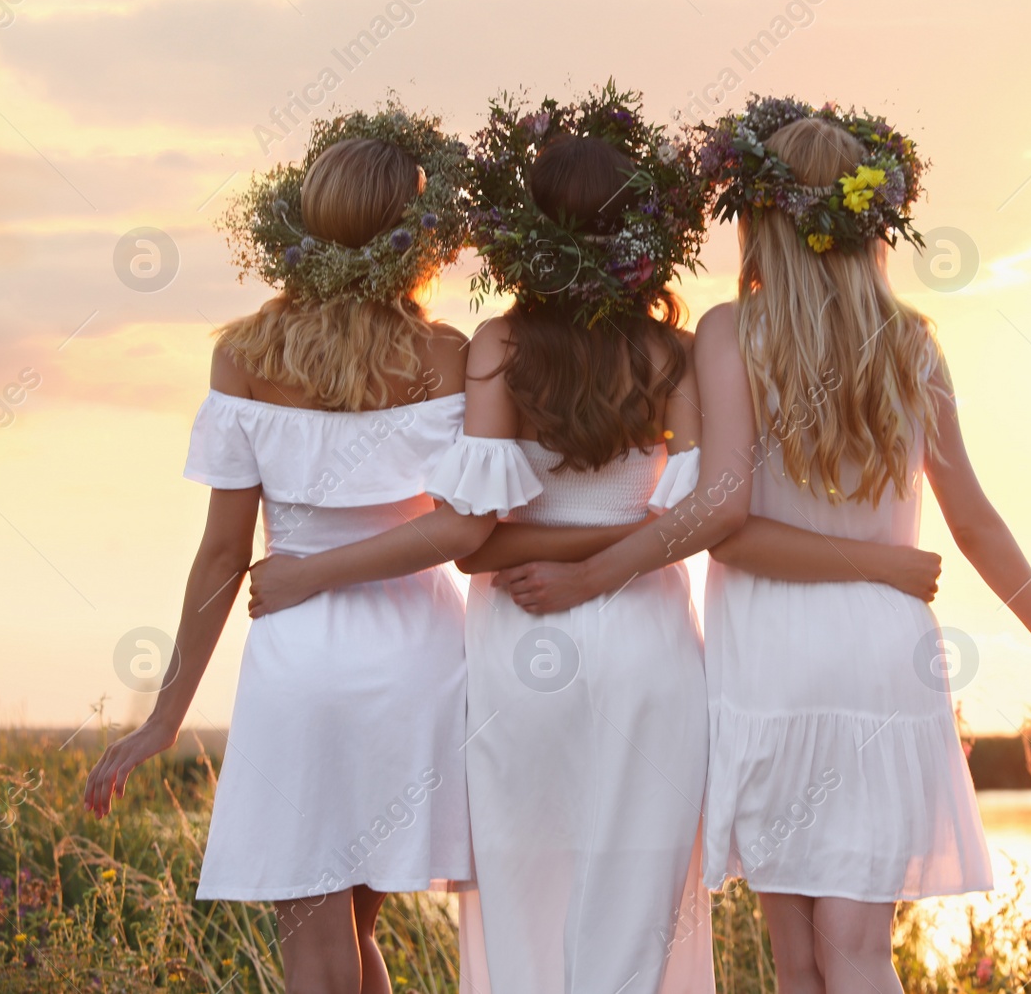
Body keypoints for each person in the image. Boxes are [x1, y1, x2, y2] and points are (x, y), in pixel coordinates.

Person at [245, 87, 941, 994]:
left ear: (530, 234)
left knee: (525, 890)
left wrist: (565, 557)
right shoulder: (671, 354)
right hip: (648, 639)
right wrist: (613, 553)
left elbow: (474, 545)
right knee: (641, 904)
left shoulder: (497, 346)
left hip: (518, 643)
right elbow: (704, 516)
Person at [494, 98, 1031, 994]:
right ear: (867, 222)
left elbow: (723, 515)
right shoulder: (912, 344)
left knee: (801, 961)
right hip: (882, 659)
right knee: (857, 954)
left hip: (769, 663)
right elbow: (975, 520)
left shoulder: (730, 335)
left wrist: (593, 574)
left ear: (763, 220)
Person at [84, 111, 484, 994]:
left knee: (315, 940)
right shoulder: (445, 356)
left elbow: (224, 550)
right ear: (412, 238)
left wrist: (164, 716)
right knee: (356, 931)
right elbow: (464, 524)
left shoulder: (246, 354)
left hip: (304, 660)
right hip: (421, 662)